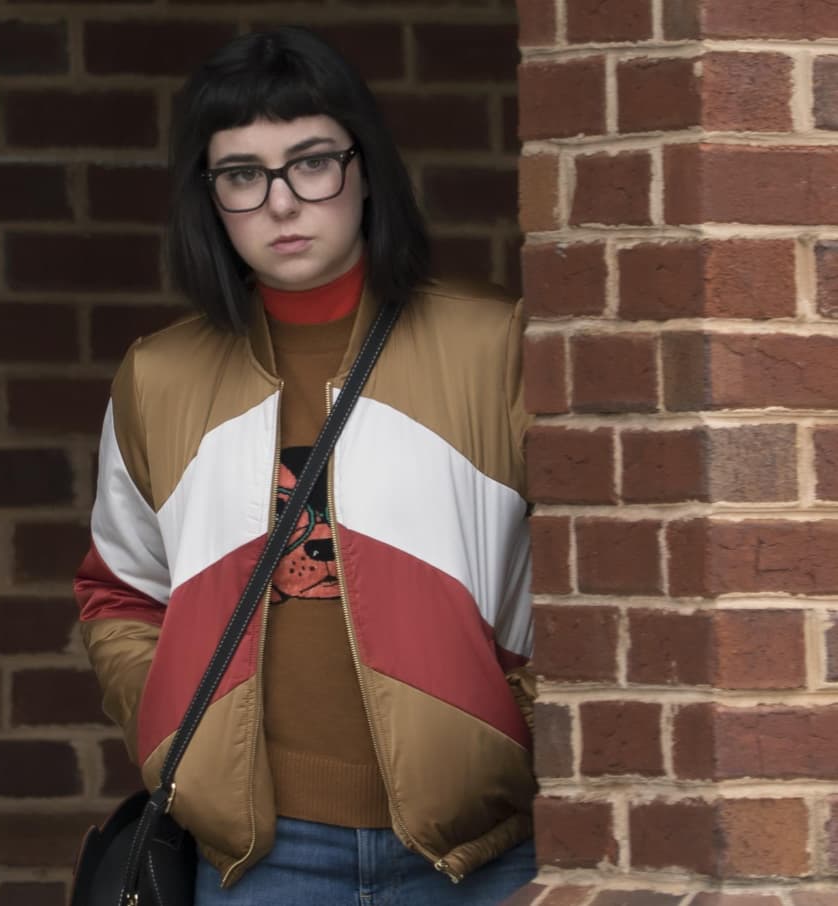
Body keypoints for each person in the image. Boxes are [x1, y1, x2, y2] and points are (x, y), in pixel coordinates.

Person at [74, 26, 537, 906]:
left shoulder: (494, 345)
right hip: (264, 860)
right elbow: (122, 592)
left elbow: (591, 571)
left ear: (365, 169)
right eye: (242, 175)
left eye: (312, 163)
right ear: (210, 197)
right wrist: (173, 735)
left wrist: (522, 732)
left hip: (483, 847)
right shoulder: (159, 378)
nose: (282, 203)